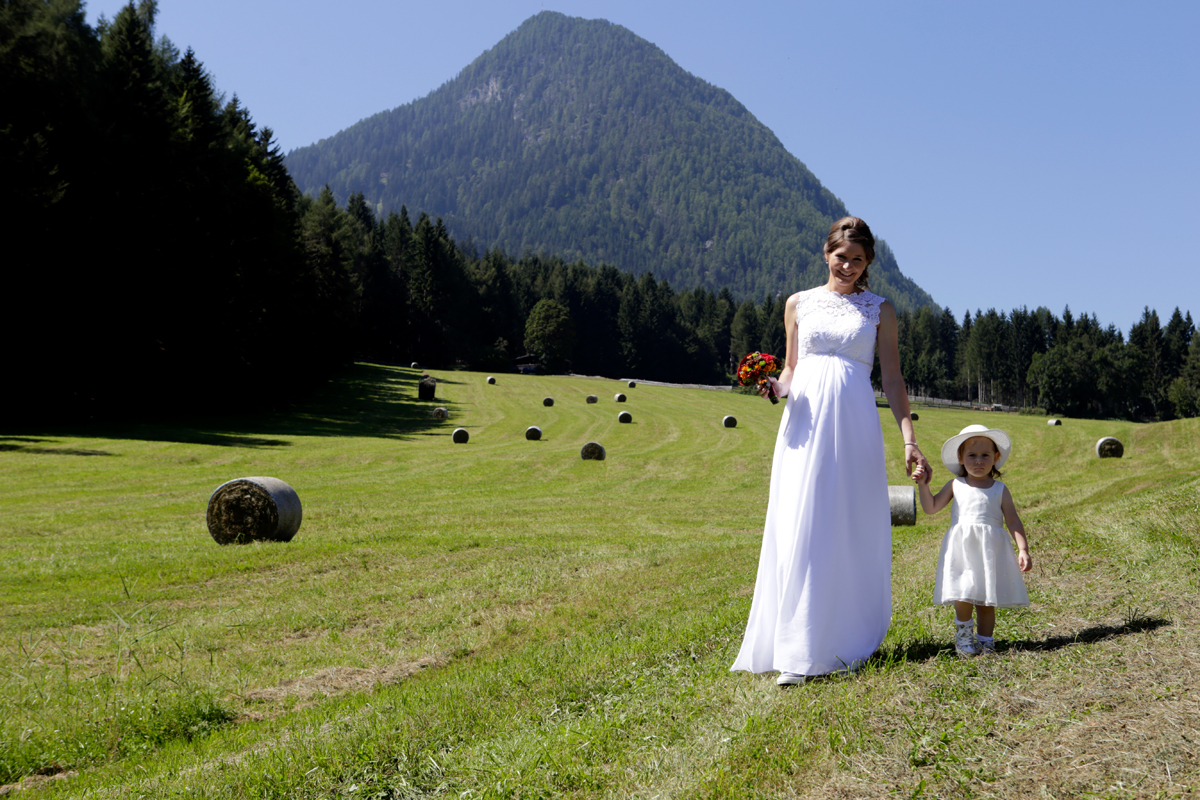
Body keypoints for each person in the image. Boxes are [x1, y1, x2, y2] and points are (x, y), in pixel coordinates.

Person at [731, 216, 930, 686]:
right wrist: (774, 386)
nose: (848, 267)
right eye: (841, 257)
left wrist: (908, 439)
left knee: (845, 522)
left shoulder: (880, 309)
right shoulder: (798, 304)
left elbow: (894, 379)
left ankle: (840, 637)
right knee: (801, 519)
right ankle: (796, 649)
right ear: (827, 254)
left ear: (868, 264)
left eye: (857, 260)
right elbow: (793, 368)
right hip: (803, 423)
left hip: (854, 422)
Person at [912, 424, 1031, 656]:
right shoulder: (956, 485)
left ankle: (986, 641)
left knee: (987, 601)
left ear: (996, 458)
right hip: (963, 551)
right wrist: (923, 486)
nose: (979, 461)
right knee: (963, 594)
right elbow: (931, 507)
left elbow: (1013, 521)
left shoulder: (1000, 489)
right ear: (960, 458)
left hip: (990, 551)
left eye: (985, 455)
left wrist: (1023, 549)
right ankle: (964, 639)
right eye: (972, 455)